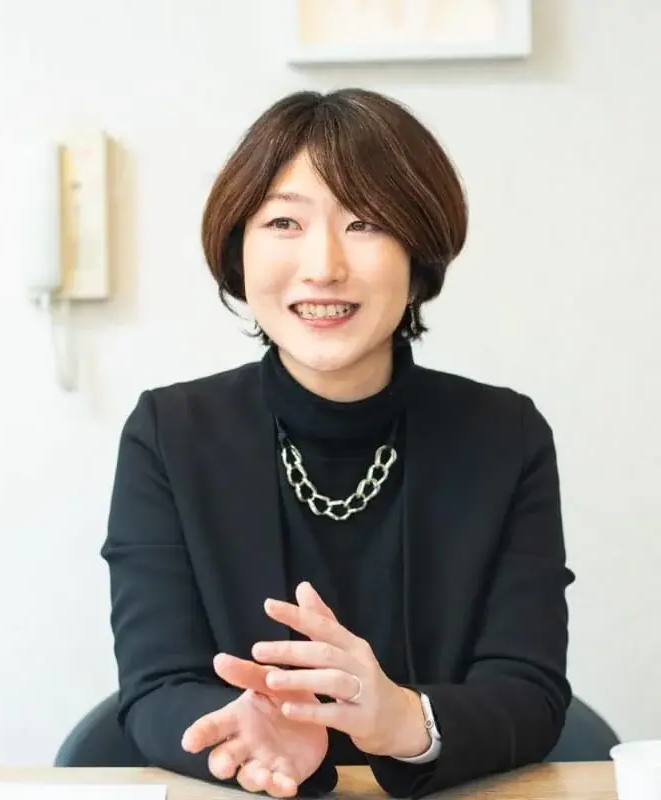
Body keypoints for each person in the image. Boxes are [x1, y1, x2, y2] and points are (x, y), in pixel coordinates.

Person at [101, 88, 574, 798]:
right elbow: (156, 686)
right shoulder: (169, 433)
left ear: (419, 252)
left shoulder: (506, 436)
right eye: (284, 222)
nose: (323, 266)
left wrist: (405, 720)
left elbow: (529, 690)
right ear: (238, 249)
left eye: (366, 222)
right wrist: (245, 732)